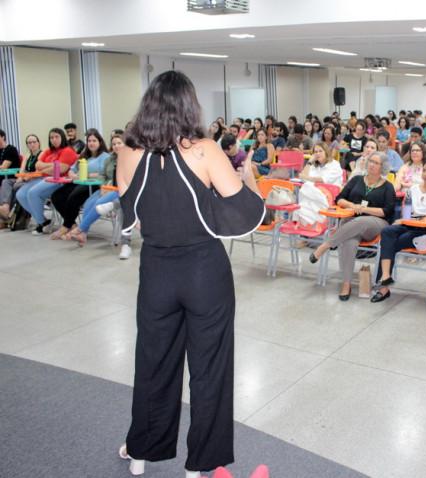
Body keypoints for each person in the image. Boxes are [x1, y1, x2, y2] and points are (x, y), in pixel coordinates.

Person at [116, 70, 265, 478]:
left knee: (153, 362)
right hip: (205, 271)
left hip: (157, 271)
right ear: (189, 105)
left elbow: (132, 217)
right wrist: (249, 176)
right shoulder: (204, 150)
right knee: (209, 369)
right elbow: (240, 209)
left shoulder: (128, 151)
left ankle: (141, 452)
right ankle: (200, 464)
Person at [308, 151, 396, 300]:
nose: (372, 165)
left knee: (361, 221)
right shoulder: (356, 180)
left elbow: (386, 211)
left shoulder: (388, 186)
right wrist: (353, 205)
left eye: (376, 163)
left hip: (375, 223)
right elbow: (339, 199)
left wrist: (364, 209)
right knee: (349, 241)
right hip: (351, 223)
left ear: (383, 167)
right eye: (370, 161)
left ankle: (326, 245)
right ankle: (346, 284)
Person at [371, 158, 426, 302]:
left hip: (425, 228)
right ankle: (386, 277)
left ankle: (382, 288)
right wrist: (405, 219)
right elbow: (406, 212)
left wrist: (412, 220)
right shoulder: (413, 188)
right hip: (409, 223)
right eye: (424, 170)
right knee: (387, 232)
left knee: (390, 244)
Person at [49, 128, 110, 240]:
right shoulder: (84, 154)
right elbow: (73, 168)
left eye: (94, 140)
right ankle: (72, 224)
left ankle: (65, 226)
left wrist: (85, 174)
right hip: (78, 181)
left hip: (93, 185)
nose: (91, 143)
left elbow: (103, 173)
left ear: (100, 142)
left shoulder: (105, 156)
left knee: (73, 197)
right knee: (56, 196)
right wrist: (72, 173)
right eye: (89, 141)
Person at [16, 128, 78, 235]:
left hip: (58, 180)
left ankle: (41, 224)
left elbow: (61, 169)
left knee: (33, 193)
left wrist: (45, 168)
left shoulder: (67, 150)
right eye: (51, 137)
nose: (54, 140)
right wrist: (54, 165)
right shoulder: (49, 151)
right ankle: (44, 221)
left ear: (62, 137)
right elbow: (37, 165)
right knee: (20, 194)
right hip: (43, 178)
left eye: (56, 137)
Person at [0, 133, 41, 226]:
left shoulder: (42, 154)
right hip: (24, 179)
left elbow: (39, 171)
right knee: (6, 182)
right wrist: (20, 177)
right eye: (29, 143)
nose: (32, 144)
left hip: (35, 180)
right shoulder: (27, 156)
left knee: (16, 187)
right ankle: (5, 207)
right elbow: (22, 169)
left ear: (38, 143)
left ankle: (8, 215)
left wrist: (27, 177)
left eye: (34, 142)